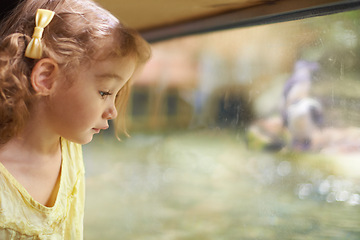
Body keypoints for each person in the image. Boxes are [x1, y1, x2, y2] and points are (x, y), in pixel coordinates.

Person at [0, 0, 151, 239]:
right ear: (47, 78)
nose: (112, 111)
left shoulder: (68, 147)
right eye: (105, 92)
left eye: (116, 95)